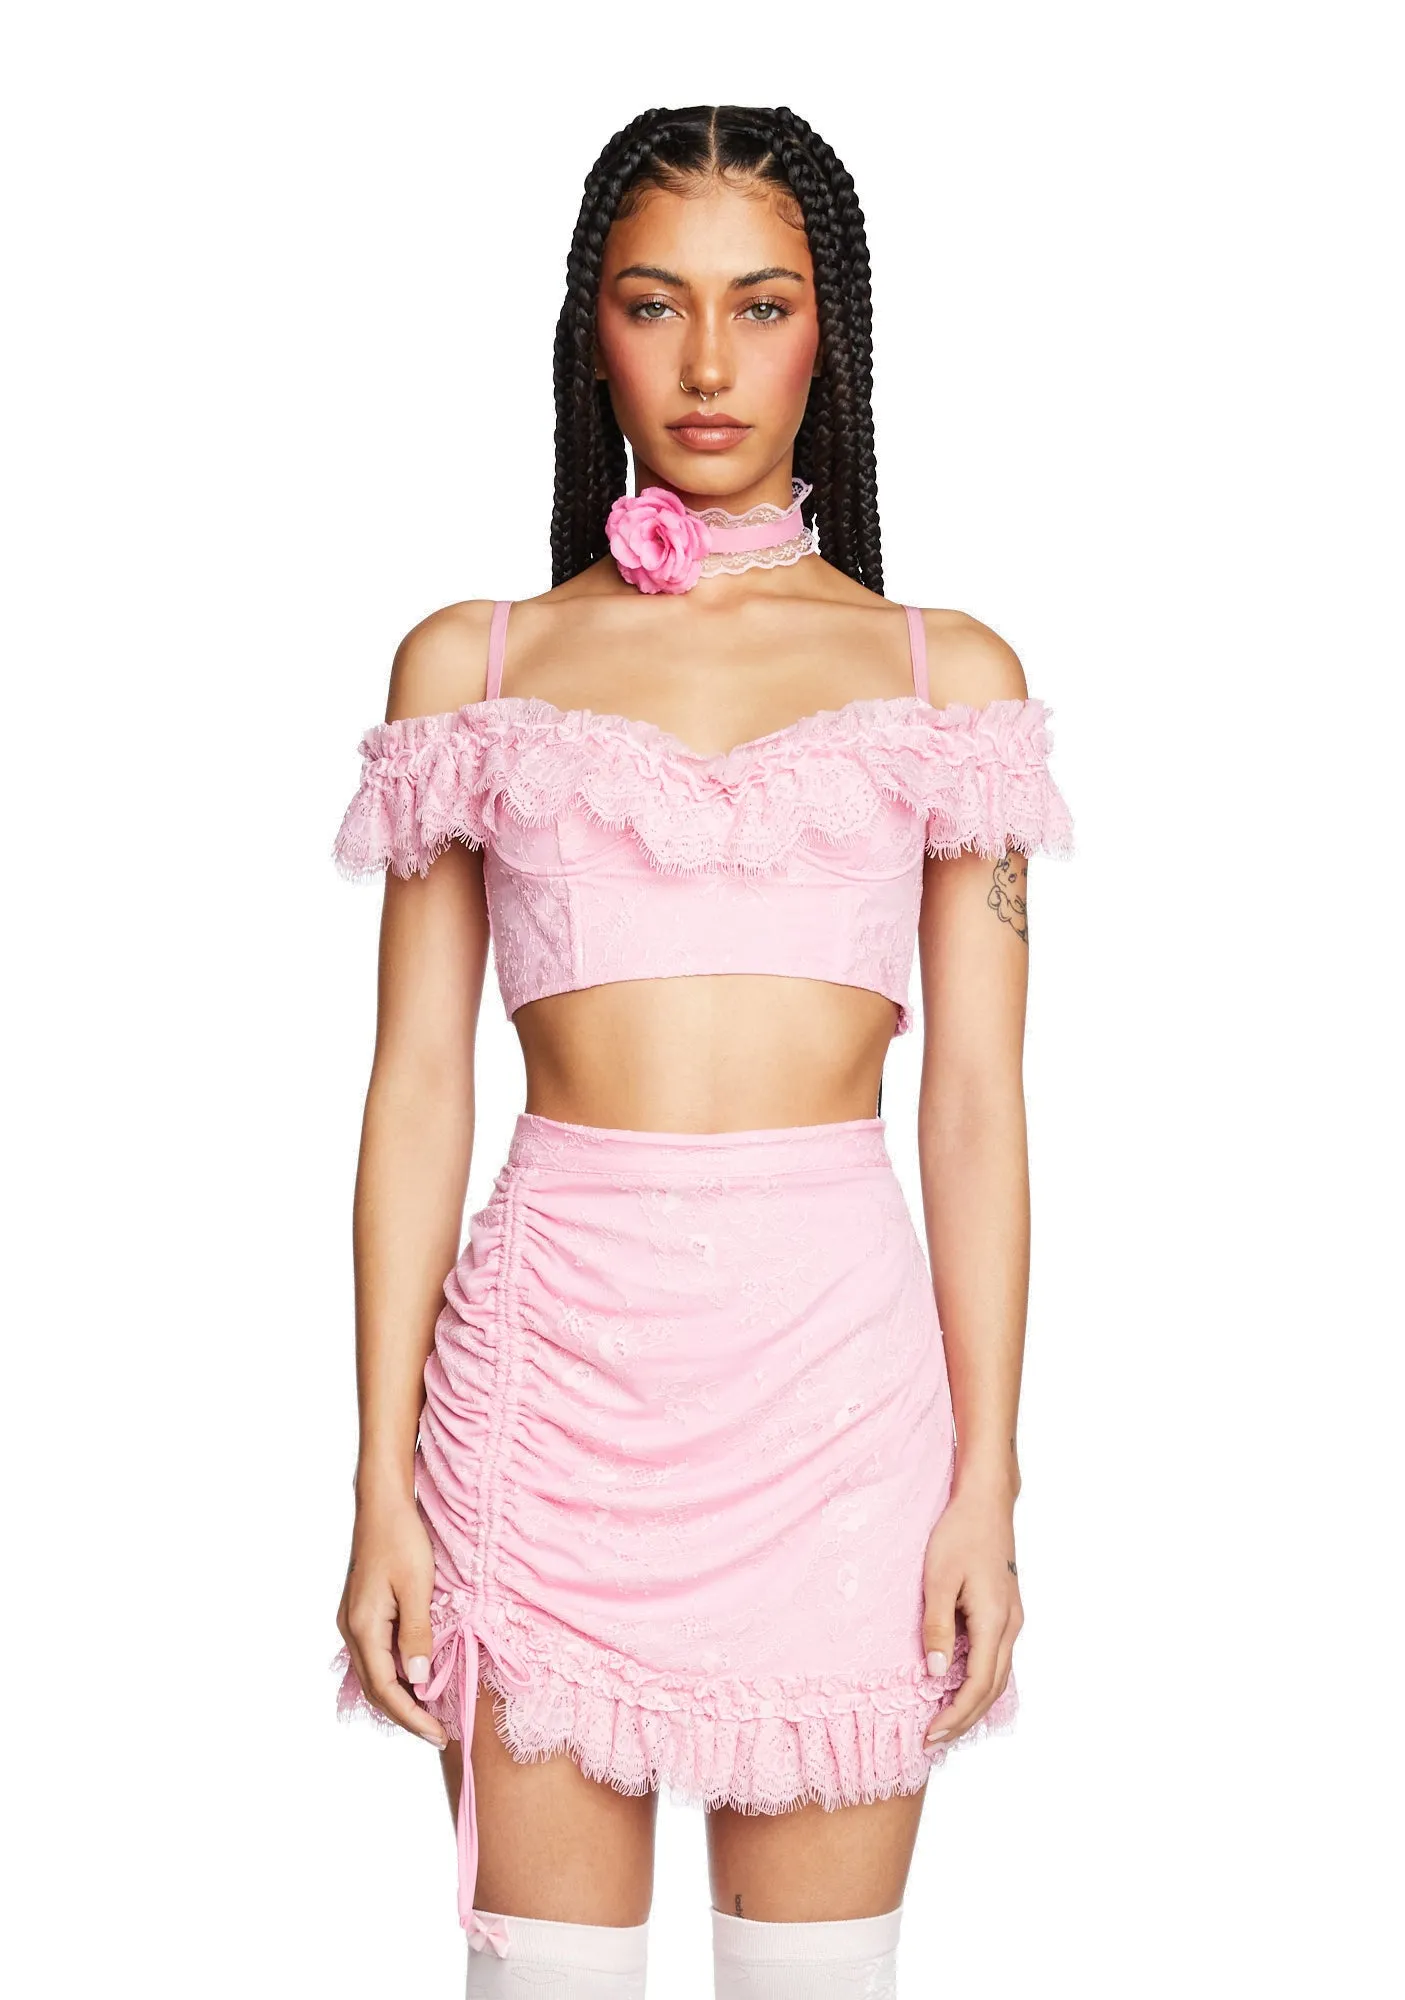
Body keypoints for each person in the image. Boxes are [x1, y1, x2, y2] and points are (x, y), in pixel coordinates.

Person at [330, 103, 1074, 1999]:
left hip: (845, 1411)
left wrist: (989, 1481)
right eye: (657, 304)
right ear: (593, 331)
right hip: (547, 1403)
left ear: (834, 333)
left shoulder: (948, 680)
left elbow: (975, 1112)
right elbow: (419, 1089)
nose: (712, 364)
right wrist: (376, 1479)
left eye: (764, 304)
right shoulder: (475, 667)